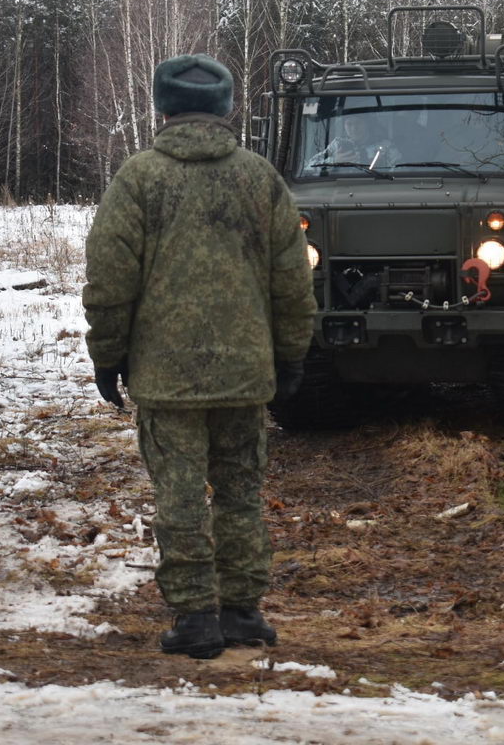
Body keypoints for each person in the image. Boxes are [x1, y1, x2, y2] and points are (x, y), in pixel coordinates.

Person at [82, 54, 317, 659]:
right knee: (241, 490)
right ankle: (243, 612)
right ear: (227, 107)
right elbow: (292, 280)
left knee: (179, 496)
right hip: (245, 372)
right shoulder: (260, 178)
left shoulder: (139, 178)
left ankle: (194, 620)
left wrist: (106, 357)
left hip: (165, 376)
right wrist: (291, 355)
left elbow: (111, 279)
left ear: (163, 107)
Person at [308, 114, 400, 168]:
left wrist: (381, 166)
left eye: (358, 123)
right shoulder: (338, 144)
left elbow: (399, 169)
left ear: (366, 124)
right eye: (349, 124)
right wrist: (334, 161)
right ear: (344, 126)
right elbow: (309, 166)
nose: (354, 128)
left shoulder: (385, 146)